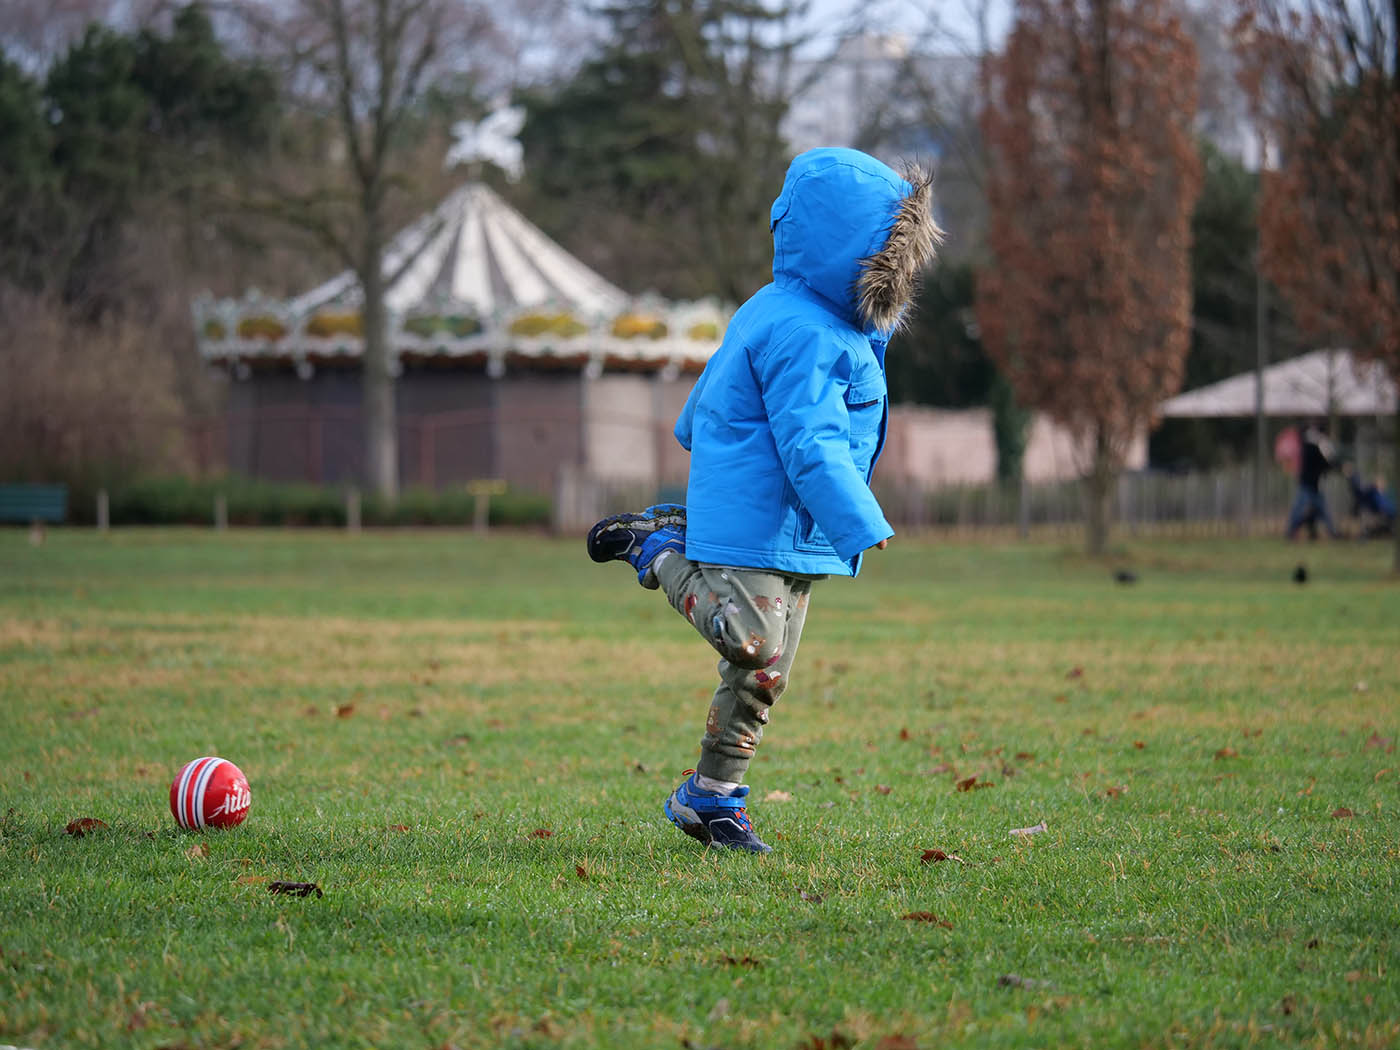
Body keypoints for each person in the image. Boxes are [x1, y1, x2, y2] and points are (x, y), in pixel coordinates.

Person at [586, 148, 941, 853]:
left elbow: (707, 401)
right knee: (750, 641)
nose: (899, 273)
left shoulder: (825, 322)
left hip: (789, 525)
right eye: (889, 251)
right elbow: (810, 442)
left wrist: (700, 432)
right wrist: (858, 520)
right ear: (852, 245)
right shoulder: (803, 331)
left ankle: (711, 800)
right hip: (759, 516)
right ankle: (655, 550)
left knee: (764, 674)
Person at [1284, 419, 1340, 540]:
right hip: (1310, 484)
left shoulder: (1310, 443)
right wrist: (1334, 466)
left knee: (1320, 510)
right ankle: (1291, 532)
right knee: (1303, 510)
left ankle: (1332, 532)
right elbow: (1327, 462)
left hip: (1312, 484)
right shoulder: (1317, 445)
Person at [1343, 462, 1397, 538]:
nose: (1380, 484)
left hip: (1390, 512)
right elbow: (1358, 492)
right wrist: (1351, 475)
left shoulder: (1387, 493)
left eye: (1381, 482)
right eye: (1379, 482)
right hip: (1384, 513)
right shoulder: (1372, 492)